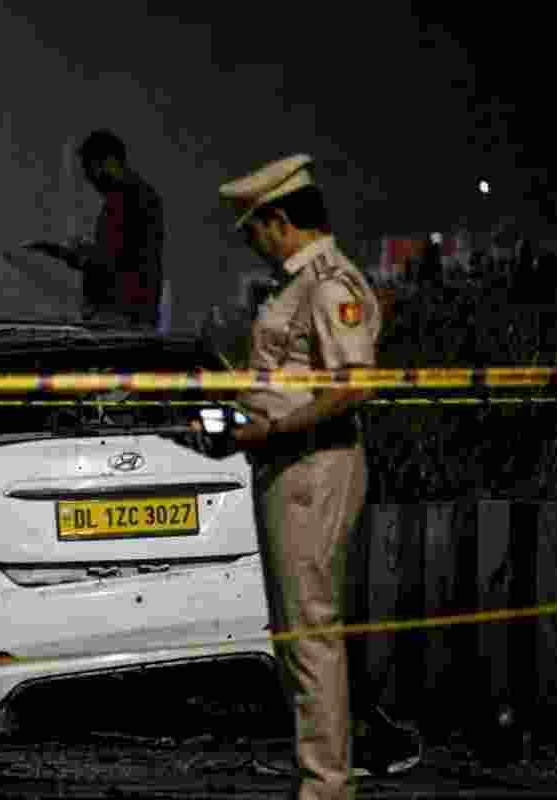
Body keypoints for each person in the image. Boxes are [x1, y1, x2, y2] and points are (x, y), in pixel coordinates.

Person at [218, 154, 417, 798]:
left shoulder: (331, 283)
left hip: (312, 466)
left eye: (251, 229)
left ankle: (326, 786)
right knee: (295, 634)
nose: (249, 243)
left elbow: (351, 388)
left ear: (277, 220)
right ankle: (320, 777)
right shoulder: (296, 283)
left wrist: (269, 430)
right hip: (286, 464)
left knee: (310, 636)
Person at [76, 129, 165, 328]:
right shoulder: (142, 195)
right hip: (133, 313)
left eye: (90, 168)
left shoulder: (125, 198)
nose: (89, 178)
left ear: (109, 162)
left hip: (119, 314)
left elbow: (114, 257)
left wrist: (81, 254)